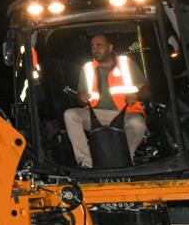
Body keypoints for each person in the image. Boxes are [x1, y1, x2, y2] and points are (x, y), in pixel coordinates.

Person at [63, 33, 147, 169]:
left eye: (99, 46)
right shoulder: (87, 69)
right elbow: (81, 96)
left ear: (110, 47)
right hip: (96, 114)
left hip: (126, 113)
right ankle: (87, 164)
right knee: (70, 115)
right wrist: (82, 97)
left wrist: (136, 95)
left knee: (137, 123)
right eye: (92, 47)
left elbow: (147, 90)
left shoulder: (127, 64)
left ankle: (125, 160)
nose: (95, 50)